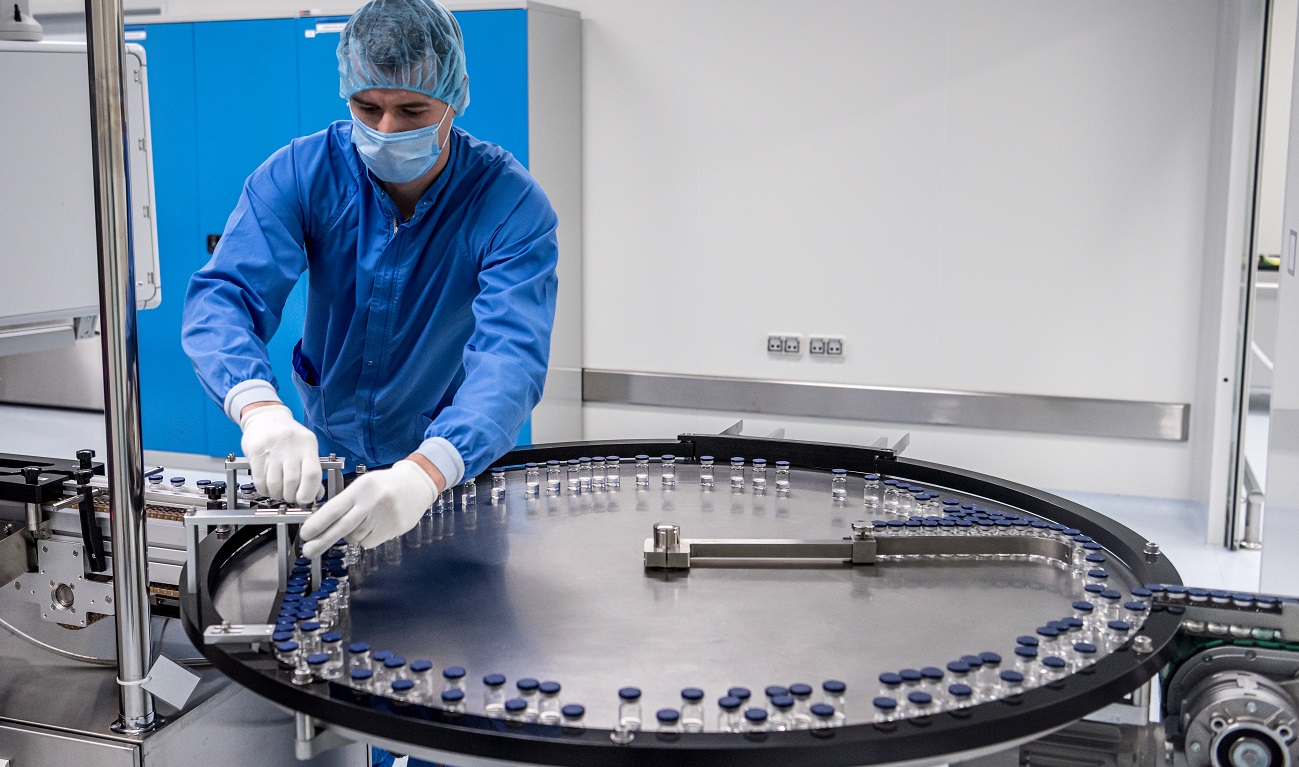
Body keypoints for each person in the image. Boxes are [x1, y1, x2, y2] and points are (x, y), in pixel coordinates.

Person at [181, 0, 558, 563]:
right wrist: (259, 407)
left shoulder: (509, 204)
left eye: (412, 109)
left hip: (447, 453)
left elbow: (510, 359)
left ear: (453, 101)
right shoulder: (302, 173)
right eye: (367, 107)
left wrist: (426, 473)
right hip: (330, 444)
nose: (386, 130)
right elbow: (226, 296)